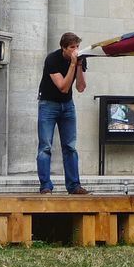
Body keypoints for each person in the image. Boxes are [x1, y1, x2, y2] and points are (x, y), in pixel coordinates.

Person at [37, 31, 90, 195]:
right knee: (45, 146)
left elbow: (80, 87)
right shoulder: (52, 59)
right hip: (48, 104)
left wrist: (80, 65)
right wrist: (73, 65)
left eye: (78, 46)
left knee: (70, 146)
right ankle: (46, 186)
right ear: (64, 48)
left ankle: (74, 185)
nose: (76, 50)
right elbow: (63, 87)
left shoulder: (80, 59)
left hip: (67, 105)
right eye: (72, 47)